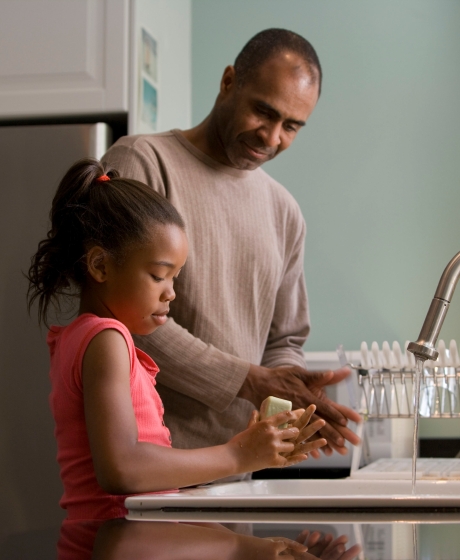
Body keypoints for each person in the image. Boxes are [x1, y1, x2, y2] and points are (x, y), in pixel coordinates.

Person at [102, 28, 361, 457]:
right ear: (228, 83)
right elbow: (121, 315)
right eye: (264, 111)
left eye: (291, 126)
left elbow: (284, 340)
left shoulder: (284, 211)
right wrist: (249, 380)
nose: (272, 137)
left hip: (237, 468)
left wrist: (291, 393)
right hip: (147, 463)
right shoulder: (142, 163)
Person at [27, 158, 326, 520]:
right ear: (100, 266)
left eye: (175, 278)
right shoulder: (107, 339)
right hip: (112, 543)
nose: (171, 294)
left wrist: (250, 450)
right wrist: (237, 455)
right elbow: (123, 468)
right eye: (158, 276)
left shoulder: (81, 336)